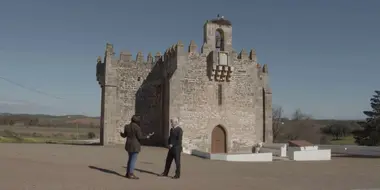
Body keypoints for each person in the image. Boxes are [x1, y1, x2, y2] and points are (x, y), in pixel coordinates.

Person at [120, 115, 154, 179]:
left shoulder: (126, 126)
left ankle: (128, 173)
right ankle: (131, 174)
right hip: (135, 145)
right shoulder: (137, 127)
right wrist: (147, 136)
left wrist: (121, 133)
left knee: (130, 159)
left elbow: (124, 135)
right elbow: (140, 137)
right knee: (133, 160)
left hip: (128, 145)